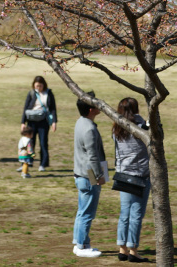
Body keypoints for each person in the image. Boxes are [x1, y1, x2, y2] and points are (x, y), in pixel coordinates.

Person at [112, 97, 151, 263]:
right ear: (135, 109)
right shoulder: (139, 124)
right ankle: (133, 250)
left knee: (124, 213)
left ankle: (122, 248)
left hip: (123, 175)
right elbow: (149, 130)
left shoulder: (116, 127)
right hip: (140, 176)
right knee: (136, 214)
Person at [72, 90, 107, 258]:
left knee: (82, 210)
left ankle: (80, 241)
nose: (98, 104)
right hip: (88, 175)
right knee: (87, 212)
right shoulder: (89, 129)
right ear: (90, 109)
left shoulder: (81, 122)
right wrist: (100, 175)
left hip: (81, 173)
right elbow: (93, 156)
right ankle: (81, 246)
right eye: (95, 103)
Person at [20, 75, 57, 172]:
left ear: (44, 85)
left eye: (40, 86)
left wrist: (54, 122)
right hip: (31, 121)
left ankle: (43, 164)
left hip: (43, 122)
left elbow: (53, 109)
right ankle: (27, 162)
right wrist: (23, 122)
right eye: (36, 86)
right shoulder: (32, 93)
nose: (38, 88)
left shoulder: (48, 93)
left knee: (43, 143)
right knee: (29, 143)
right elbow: (25, 108)